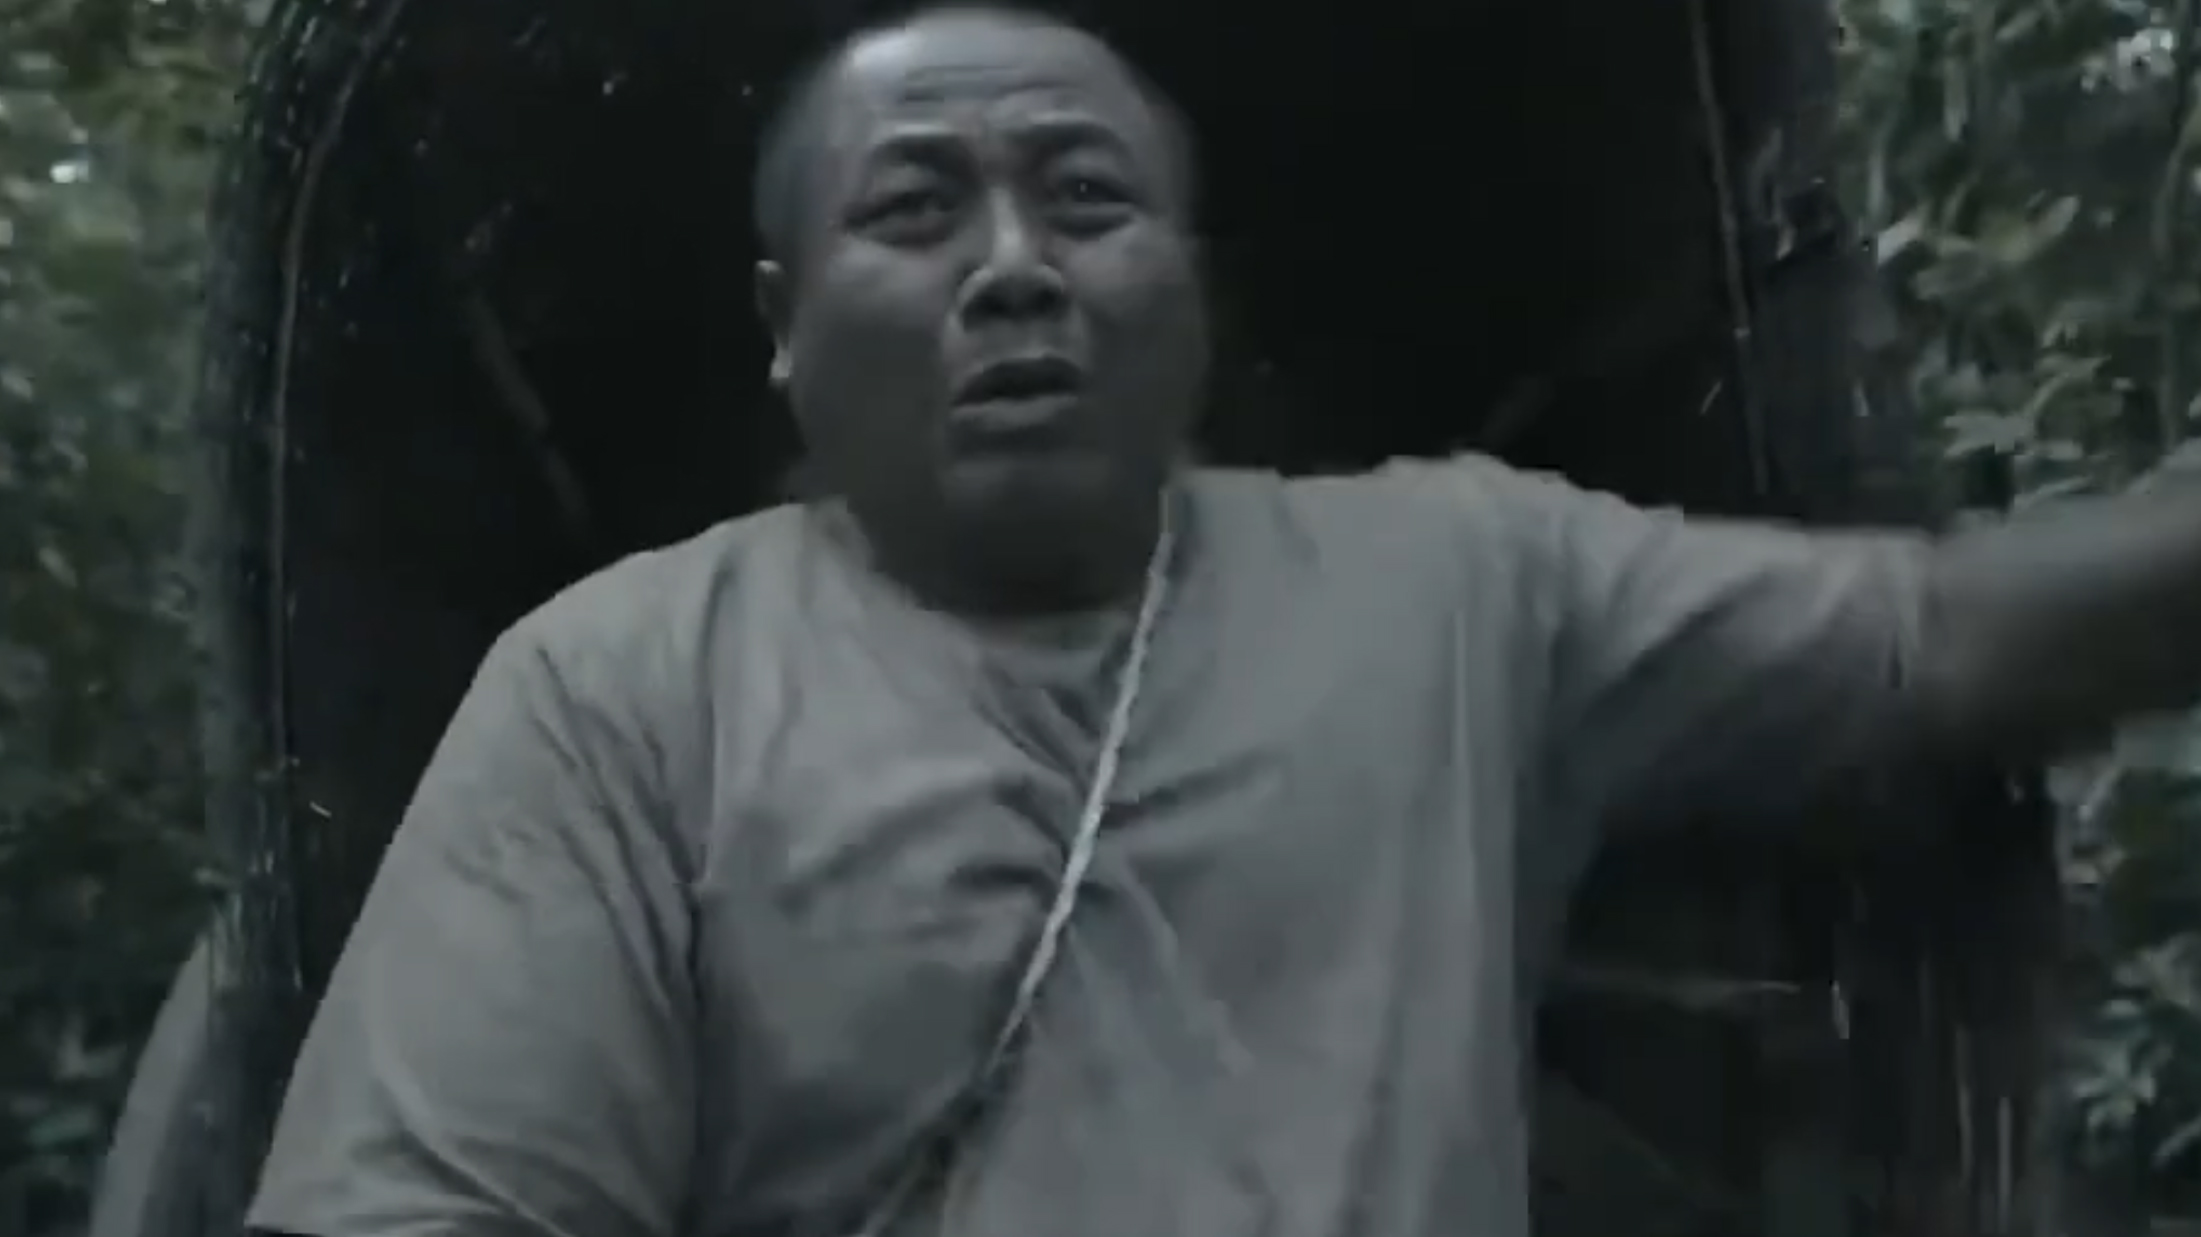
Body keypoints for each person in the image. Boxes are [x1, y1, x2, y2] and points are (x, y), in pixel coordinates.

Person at [246, 6, 2201, 1237]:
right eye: (916, 211)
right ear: (785, 323)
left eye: (1086, 200)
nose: (1013, 265)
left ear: (1192, 297)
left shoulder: (1463, 584)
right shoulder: (618, 684)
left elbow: (1946, 641)